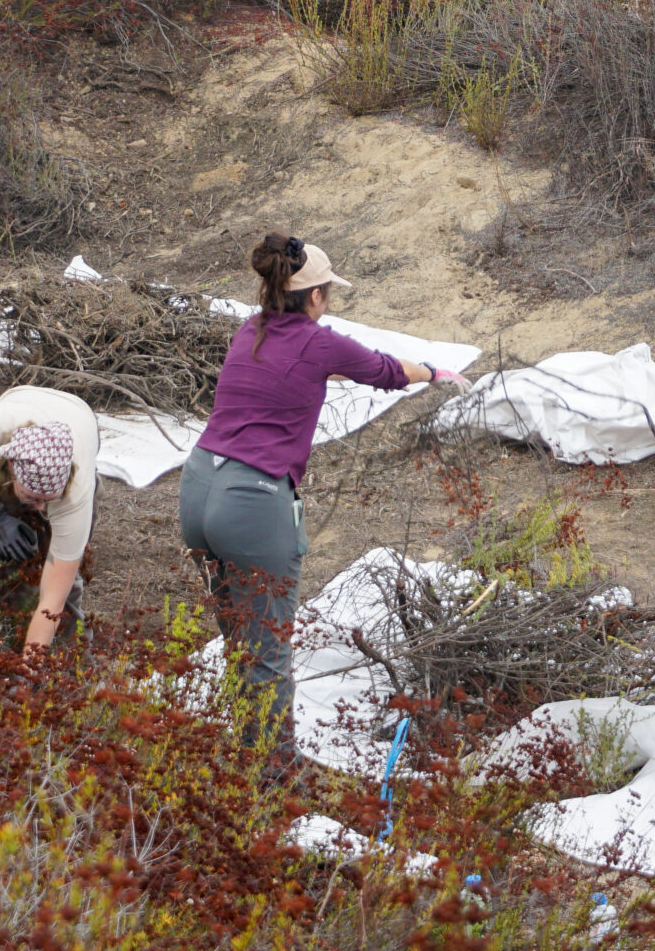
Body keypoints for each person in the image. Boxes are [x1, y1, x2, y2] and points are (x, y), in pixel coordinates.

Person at [180, 235, 468, 759]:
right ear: (315, 296)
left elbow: (297, 368)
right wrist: (434, 372)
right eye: (328, 291)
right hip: (253, 499)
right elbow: (386, 370)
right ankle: (271, 787)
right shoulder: (321, 342)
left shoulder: (250, 331)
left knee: (239, 642)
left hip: (197, 485)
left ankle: (245, 756)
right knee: (268, 652)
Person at [0, 386, 102, 650]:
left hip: (79, 416)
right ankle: (3, 637)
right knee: (13, 566)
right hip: (22, 401)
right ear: (10, 470)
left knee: (63, 584)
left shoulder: (76, 497)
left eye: (49, 500)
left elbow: (52, 602)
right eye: (32, 497)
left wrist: (29, 672)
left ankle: (68, 660)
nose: (40, 509)